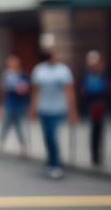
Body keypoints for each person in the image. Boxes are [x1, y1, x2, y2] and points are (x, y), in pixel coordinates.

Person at [29, 49, 78, 179]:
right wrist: (33, 108)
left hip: (58, 108)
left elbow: (69, 91)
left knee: (52, 135)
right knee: (47, 136)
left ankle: (55, 164)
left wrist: (72, 111)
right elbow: (36, 91)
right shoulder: (39, 70)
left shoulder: (63, 70)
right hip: (43, 108)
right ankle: (51, 160)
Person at [0, 54, 30, 157]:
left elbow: (27, 90)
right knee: (5, 125)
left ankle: (23, 146)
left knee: (19, 126)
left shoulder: (23, 75)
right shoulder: (6, 75)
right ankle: (1, 143)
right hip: (9, 104)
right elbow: (1, 91)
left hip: (20, 105)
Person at [81, 50, 108, 165]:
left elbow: (106, 88)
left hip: (100, 103)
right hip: (91, 104)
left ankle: (99, 154)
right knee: (94, 129)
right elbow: (83, 89)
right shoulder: (86, 73)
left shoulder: (103, 73)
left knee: (99, 129)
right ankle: (94, 154)